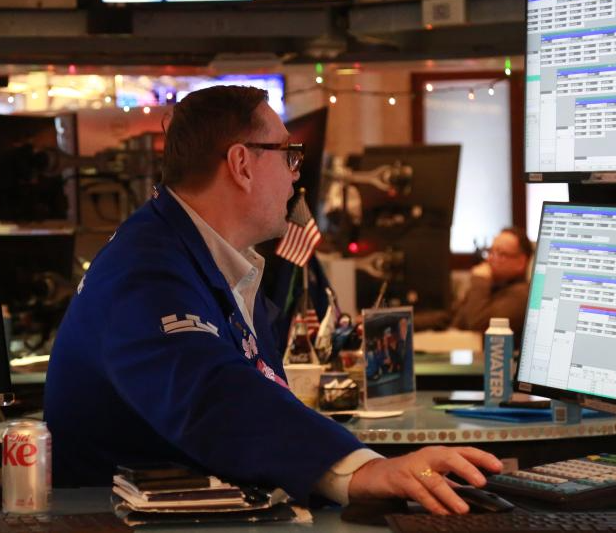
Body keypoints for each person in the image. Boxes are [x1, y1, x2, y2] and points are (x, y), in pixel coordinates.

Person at [44, 86, 502, 514]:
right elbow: (213, 394)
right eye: (289, 155)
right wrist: (361, 469)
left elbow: (254, 388)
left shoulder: (203, 256)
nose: (296, 175)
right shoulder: (147, 268)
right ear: (241, 164)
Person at [416, 227, 532, 341]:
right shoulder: (495, 286)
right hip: (455, 345)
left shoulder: (521, 296)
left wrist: (480, 282)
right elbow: (450, 317)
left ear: (521, 262)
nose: (490, 259)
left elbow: (477, 324)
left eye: (501, 254)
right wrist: (412, 321)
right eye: (490, 252)